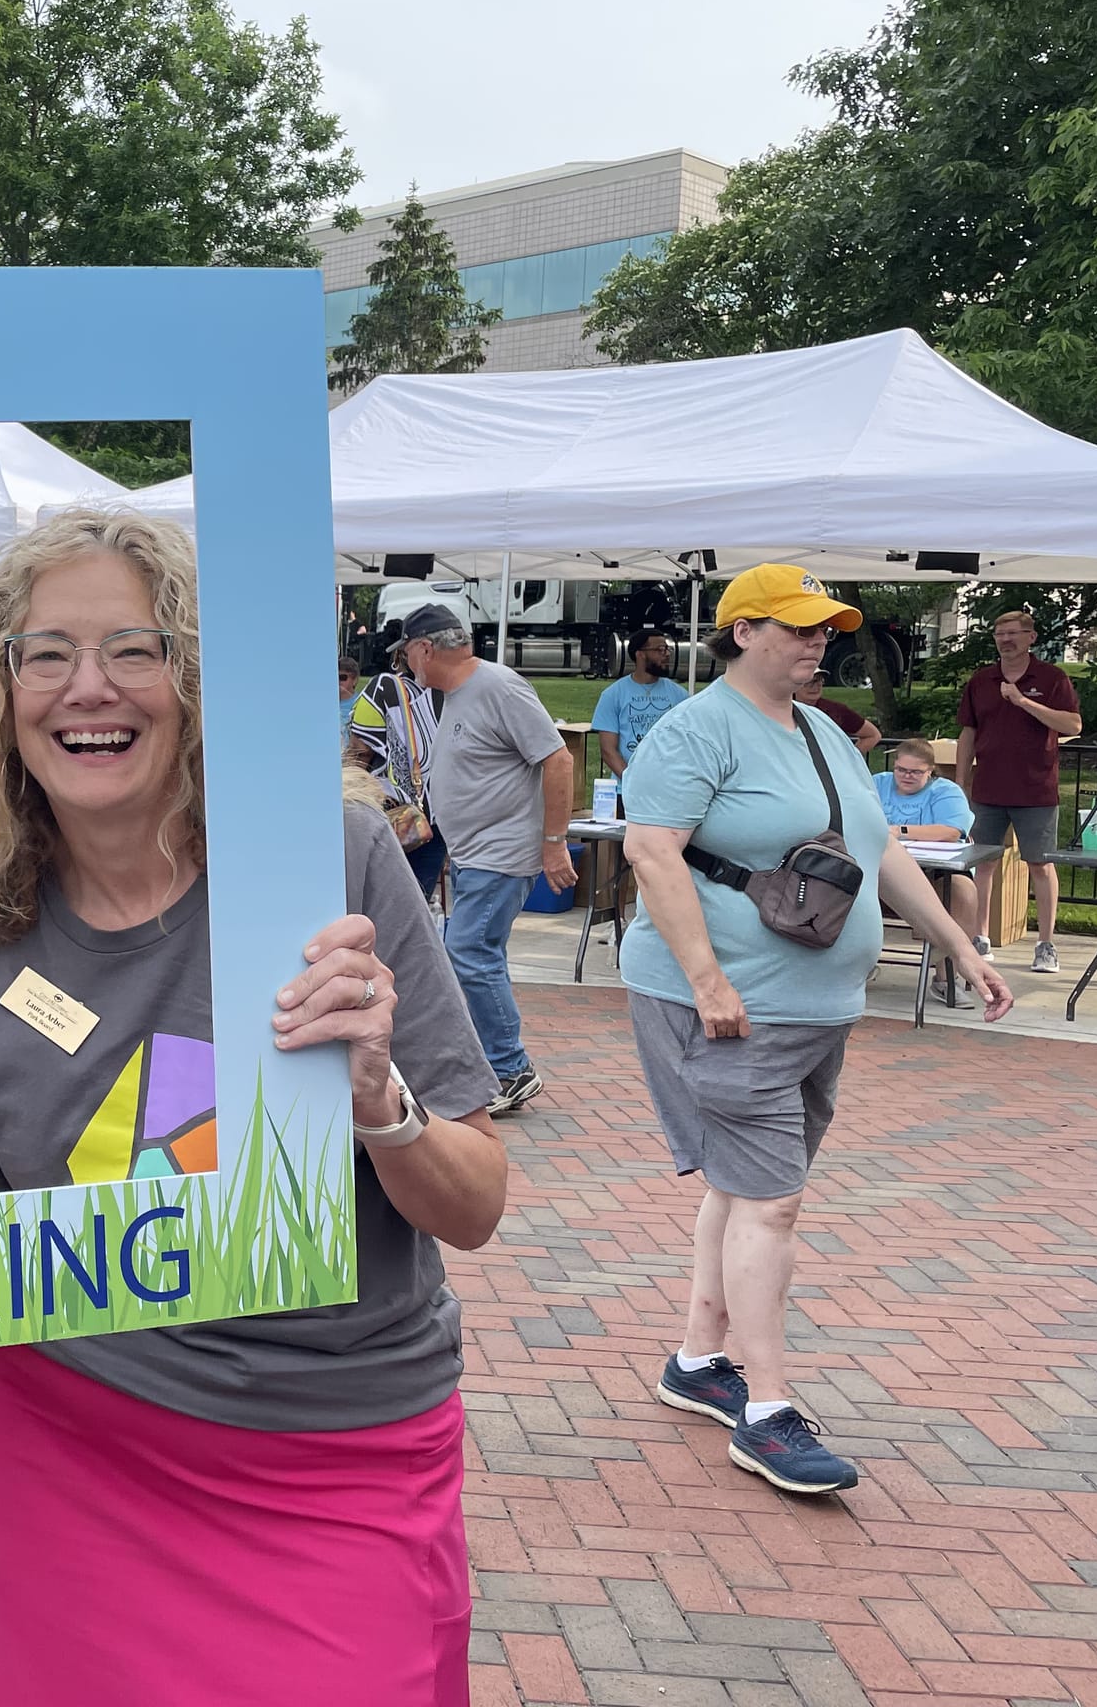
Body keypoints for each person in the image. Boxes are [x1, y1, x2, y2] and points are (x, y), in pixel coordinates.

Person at [0, 509, 508, 1705]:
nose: (88, 687)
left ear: (197, 679)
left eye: (135, 648)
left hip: (329, 1453)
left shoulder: (329, 863)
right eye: (45, 652)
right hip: (62, 1434)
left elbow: (473, 1209)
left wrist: (381, 1102)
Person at [618, 566, 1011, 1497]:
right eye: (797, 628)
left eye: (825, 628)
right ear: (742, 630)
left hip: (812, 1007)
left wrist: (958, 945)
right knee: (771, 1201)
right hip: (730, 1005)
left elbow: (875, 849)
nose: (816, 642)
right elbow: (650, 851)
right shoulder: (697, 728)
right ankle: (768, 1409)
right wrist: (707, 980)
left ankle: (697, 1360)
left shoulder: (822, 730)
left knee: (748, 1184)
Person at [405, 601, 575, 1114]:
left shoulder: (497, 686)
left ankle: (510, 1069)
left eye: (408, 654)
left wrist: (554, 842)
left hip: (500, 856)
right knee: (475, 955)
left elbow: (559, 759)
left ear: (425, 649)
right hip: (475, 854)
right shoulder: (457, 695)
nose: (408, 666)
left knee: (468, 954)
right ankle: (493, 1064)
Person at [957, 607, 1081, 972]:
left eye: (1013, 633)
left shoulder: (1052, 678)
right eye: (1000, 633)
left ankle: (1046, 944)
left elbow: (1073, 724)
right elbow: (968, 732)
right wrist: (962, 781)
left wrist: (1025, 701)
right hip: (988, 789)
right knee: (982, 864)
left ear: (1031, 637)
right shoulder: (981, 680)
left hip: (1036, 789)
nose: (1006, 640)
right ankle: (979, 937)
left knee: (1040, 865)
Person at [350, 640, 445, 898]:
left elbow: (360, 751)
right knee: (417, 902)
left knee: (382, 903)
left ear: (399, 653)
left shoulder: (383, 687)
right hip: (438, 816)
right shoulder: (450, 691)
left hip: (394, 815)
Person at [876, 738, 986, 956]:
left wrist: (901, 831)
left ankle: (947, 978)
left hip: (936, 870)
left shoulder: (946, 791)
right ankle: (856, 967)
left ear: (930, 771)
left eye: (915, 772)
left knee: (962, 892)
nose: (906, 776)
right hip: (880, 866)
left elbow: (952, 831)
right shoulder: (878, 783)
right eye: (901, 770)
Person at [592, 630, 690, 776]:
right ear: (640, 654)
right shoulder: (613, 695)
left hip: (668, 788)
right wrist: (631, 781)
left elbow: (688, 743)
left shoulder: (680, 695)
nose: (667, 654)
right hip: (625, 791)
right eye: (660, 650)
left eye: (667, 649)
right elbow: (608, 750)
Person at [794, 673, 882, 755]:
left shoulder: (835, 710)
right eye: (809, 682)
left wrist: (848, 759)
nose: (816, 686)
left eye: (820, 680)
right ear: (794, 685)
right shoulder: (783, 709)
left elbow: (873, 735)